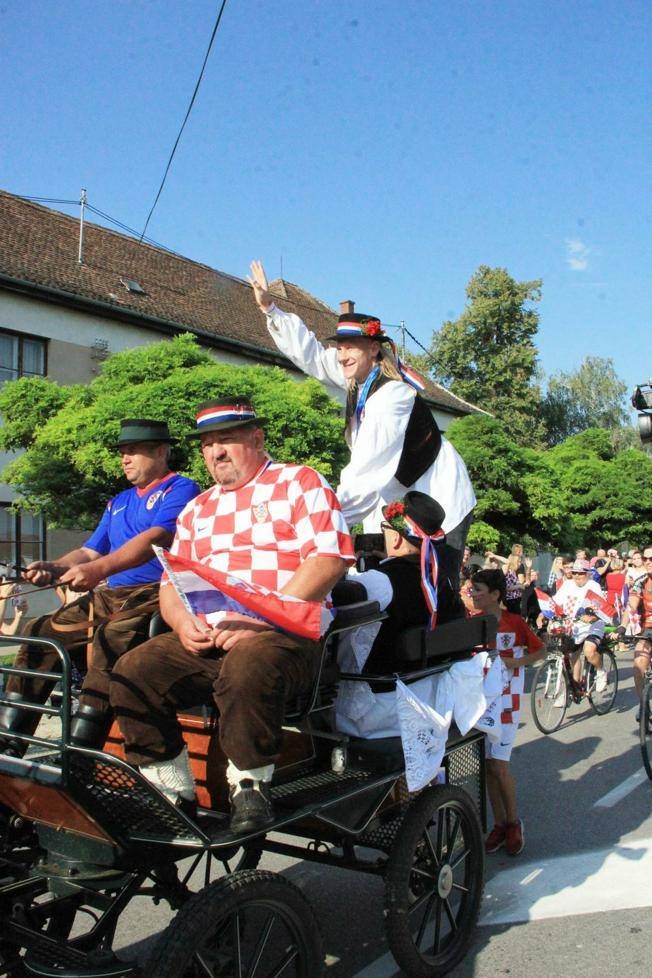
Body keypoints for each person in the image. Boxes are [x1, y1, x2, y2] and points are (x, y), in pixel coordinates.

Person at [107, 398, 354, 832]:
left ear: (256, 440)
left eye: (227, 440)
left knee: (247, 664)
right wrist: (183, 624)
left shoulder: (299, 481)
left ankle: (249, 788)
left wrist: (262, 617)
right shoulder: (198, 508)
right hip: (211, 631)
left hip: (285, 632)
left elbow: (329, 559)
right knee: (133, 670)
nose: (215, 452)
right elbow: (171, 583)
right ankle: (171, 789)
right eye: (207, 444)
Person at [247, 260, 476, 586]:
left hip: (439, 501)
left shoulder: (393, 397)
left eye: (350, 347)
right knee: (383, 588)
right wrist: (270, 308)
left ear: (373, 349)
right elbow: (311, 354)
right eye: (339, 347)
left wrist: (322, 519)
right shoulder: (357, 380)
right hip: (395, 503)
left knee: (435, 595)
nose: (341, 355)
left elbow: (364, 472)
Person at [0, 420, 200, 755]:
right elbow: (90, 550)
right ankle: (10, 743)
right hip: (109, 595)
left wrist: (97, 570)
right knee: (41, 630)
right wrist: (55, 567)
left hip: (155, 594)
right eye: (123, 452)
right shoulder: (118, 501)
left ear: (162, 451)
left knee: (110, 640)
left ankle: (80, 753)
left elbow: (155, 539)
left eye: (133, 451)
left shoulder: (181, 489)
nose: (125, 458)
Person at [334, 492, 465, 677]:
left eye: (384, 530)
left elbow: (333, 600)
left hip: (379, 687)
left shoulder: (382, 580)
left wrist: (341, 565)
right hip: (425, 678)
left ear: (395, 539)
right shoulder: (441, 580)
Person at [470, 569, 545, 856]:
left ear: (495, 594)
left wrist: (517, 663)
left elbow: (540, 650)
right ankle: (499, 825)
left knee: (499, 766)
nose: (473, 594)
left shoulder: (514, 623)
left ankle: (513, 823)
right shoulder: (473, 624)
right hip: (482, 706)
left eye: (478, 589)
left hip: (508, 706)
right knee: (489, 767)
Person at [554, 559, 614, 689]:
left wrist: (592, 617)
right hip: (574, 626)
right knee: (572, 656)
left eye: (581, 573)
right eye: (574, 572)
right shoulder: (567, 585)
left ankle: (600, 671)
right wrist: (544, 615)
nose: (577, 576)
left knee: (589, 651)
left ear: (587, 573)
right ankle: (574, 688)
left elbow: (599, 607)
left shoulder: (593, 586)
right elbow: (555, 603)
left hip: (593, 625)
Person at [623, 546, 652, 707]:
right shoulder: (641, 581)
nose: (648, 562)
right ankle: (643, 705)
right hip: (647, 630)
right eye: (645, 559)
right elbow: (631, 605)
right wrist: (622, 626)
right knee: (638, 665)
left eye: (651, 559)